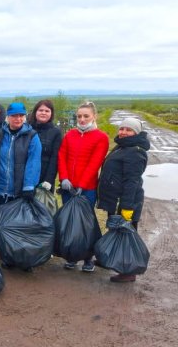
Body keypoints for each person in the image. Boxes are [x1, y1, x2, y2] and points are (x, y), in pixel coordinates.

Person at [58, 101, 109, 272]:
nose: (82, 119)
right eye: (79, 116)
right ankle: (72, 256)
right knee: (70, 223)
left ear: (94, 116)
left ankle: (88, 258)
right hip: (67, 187)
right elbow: (62, 156)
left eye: (86, 116)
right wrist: (64, 178)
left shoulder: (101, 137)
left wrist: (81, 185)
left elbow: (95, 164)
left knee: (86, 224)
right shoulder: (70, 135)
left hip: (86, 189)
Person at [97, 117, 150, 282]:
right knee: (115, 230)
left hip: (125, 201)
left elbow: (131, 182)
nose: (124, 132)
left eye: (129, 130)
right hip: (116, 199)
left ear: (136, 132)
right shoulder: (122, 147)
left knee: (127, 235)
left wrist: (126, 207)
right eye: (122, 129)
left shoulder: (135, 151)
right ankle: (111, 257)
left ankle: (128, 271)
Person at [0, 102, 42, 207]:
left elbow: (33, 162)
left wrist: (28, 186)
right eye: (14, 115)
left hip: (20, 191)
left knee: (15, 222)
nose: (18, 119)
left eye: (21, 115)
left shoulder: (32, 136)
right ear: (8, 117)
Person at [28, 100, 62, 192]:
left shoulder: (56, 132)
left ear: (51, 114)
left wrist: (49, 180)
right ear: (35, 112)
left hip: (45, 176)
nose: (43, 113)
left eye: (47, 111)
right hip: (26, 176)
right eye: (40, 110)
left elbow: (55, 158)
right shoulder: (27, 129)